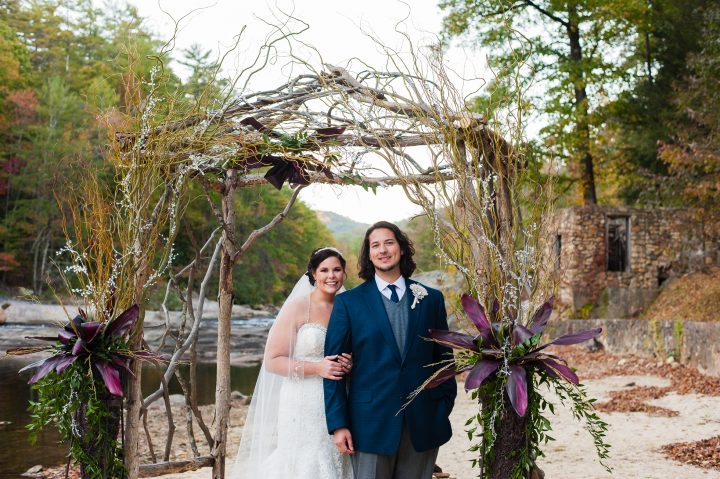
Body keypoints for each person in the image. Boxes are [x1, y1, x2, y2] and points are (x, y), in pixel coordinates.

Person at [324, 221, 457, 479]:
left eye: (389, 242)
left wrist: (442, 403)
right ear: (368, 254)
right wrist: (338, 424)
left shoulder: (431, 299)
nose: (383, 250)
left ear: (401, 249)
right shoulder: (348, 303)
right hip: (369, 424)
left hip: (423, 421)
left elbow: (445, 362)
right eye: (375, 245)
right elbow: (334, 370)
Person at [231, 247, 353, 479]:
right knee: (302, 461)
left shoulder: (346, 307)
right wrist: (317, 367)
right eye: (324, 270)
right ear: (313, 274)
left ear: (344, 273)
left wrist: (349, 364)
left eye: (337, 269)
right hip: (302, 401)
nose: (331, 276)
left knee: (334, 459)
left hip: (337, 398)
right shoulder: (298, 307)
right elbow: (272, 361)